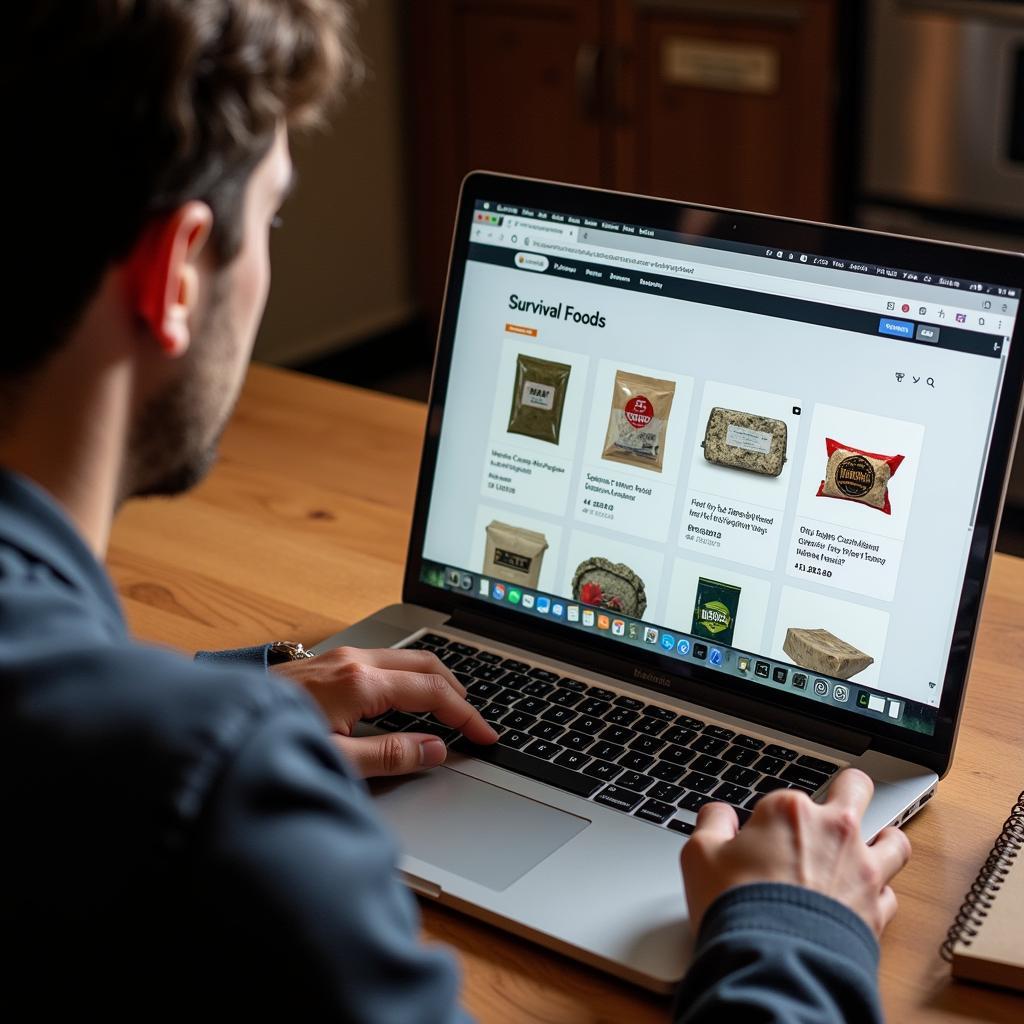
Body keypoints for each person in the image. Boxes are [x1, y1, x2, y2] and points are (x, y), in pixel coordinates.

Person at [0, 2, 910, 1020]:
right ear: (175, 273)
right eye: (275, 217)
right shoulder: (218, 800)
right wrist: (796, 931)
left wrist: (225, 700)